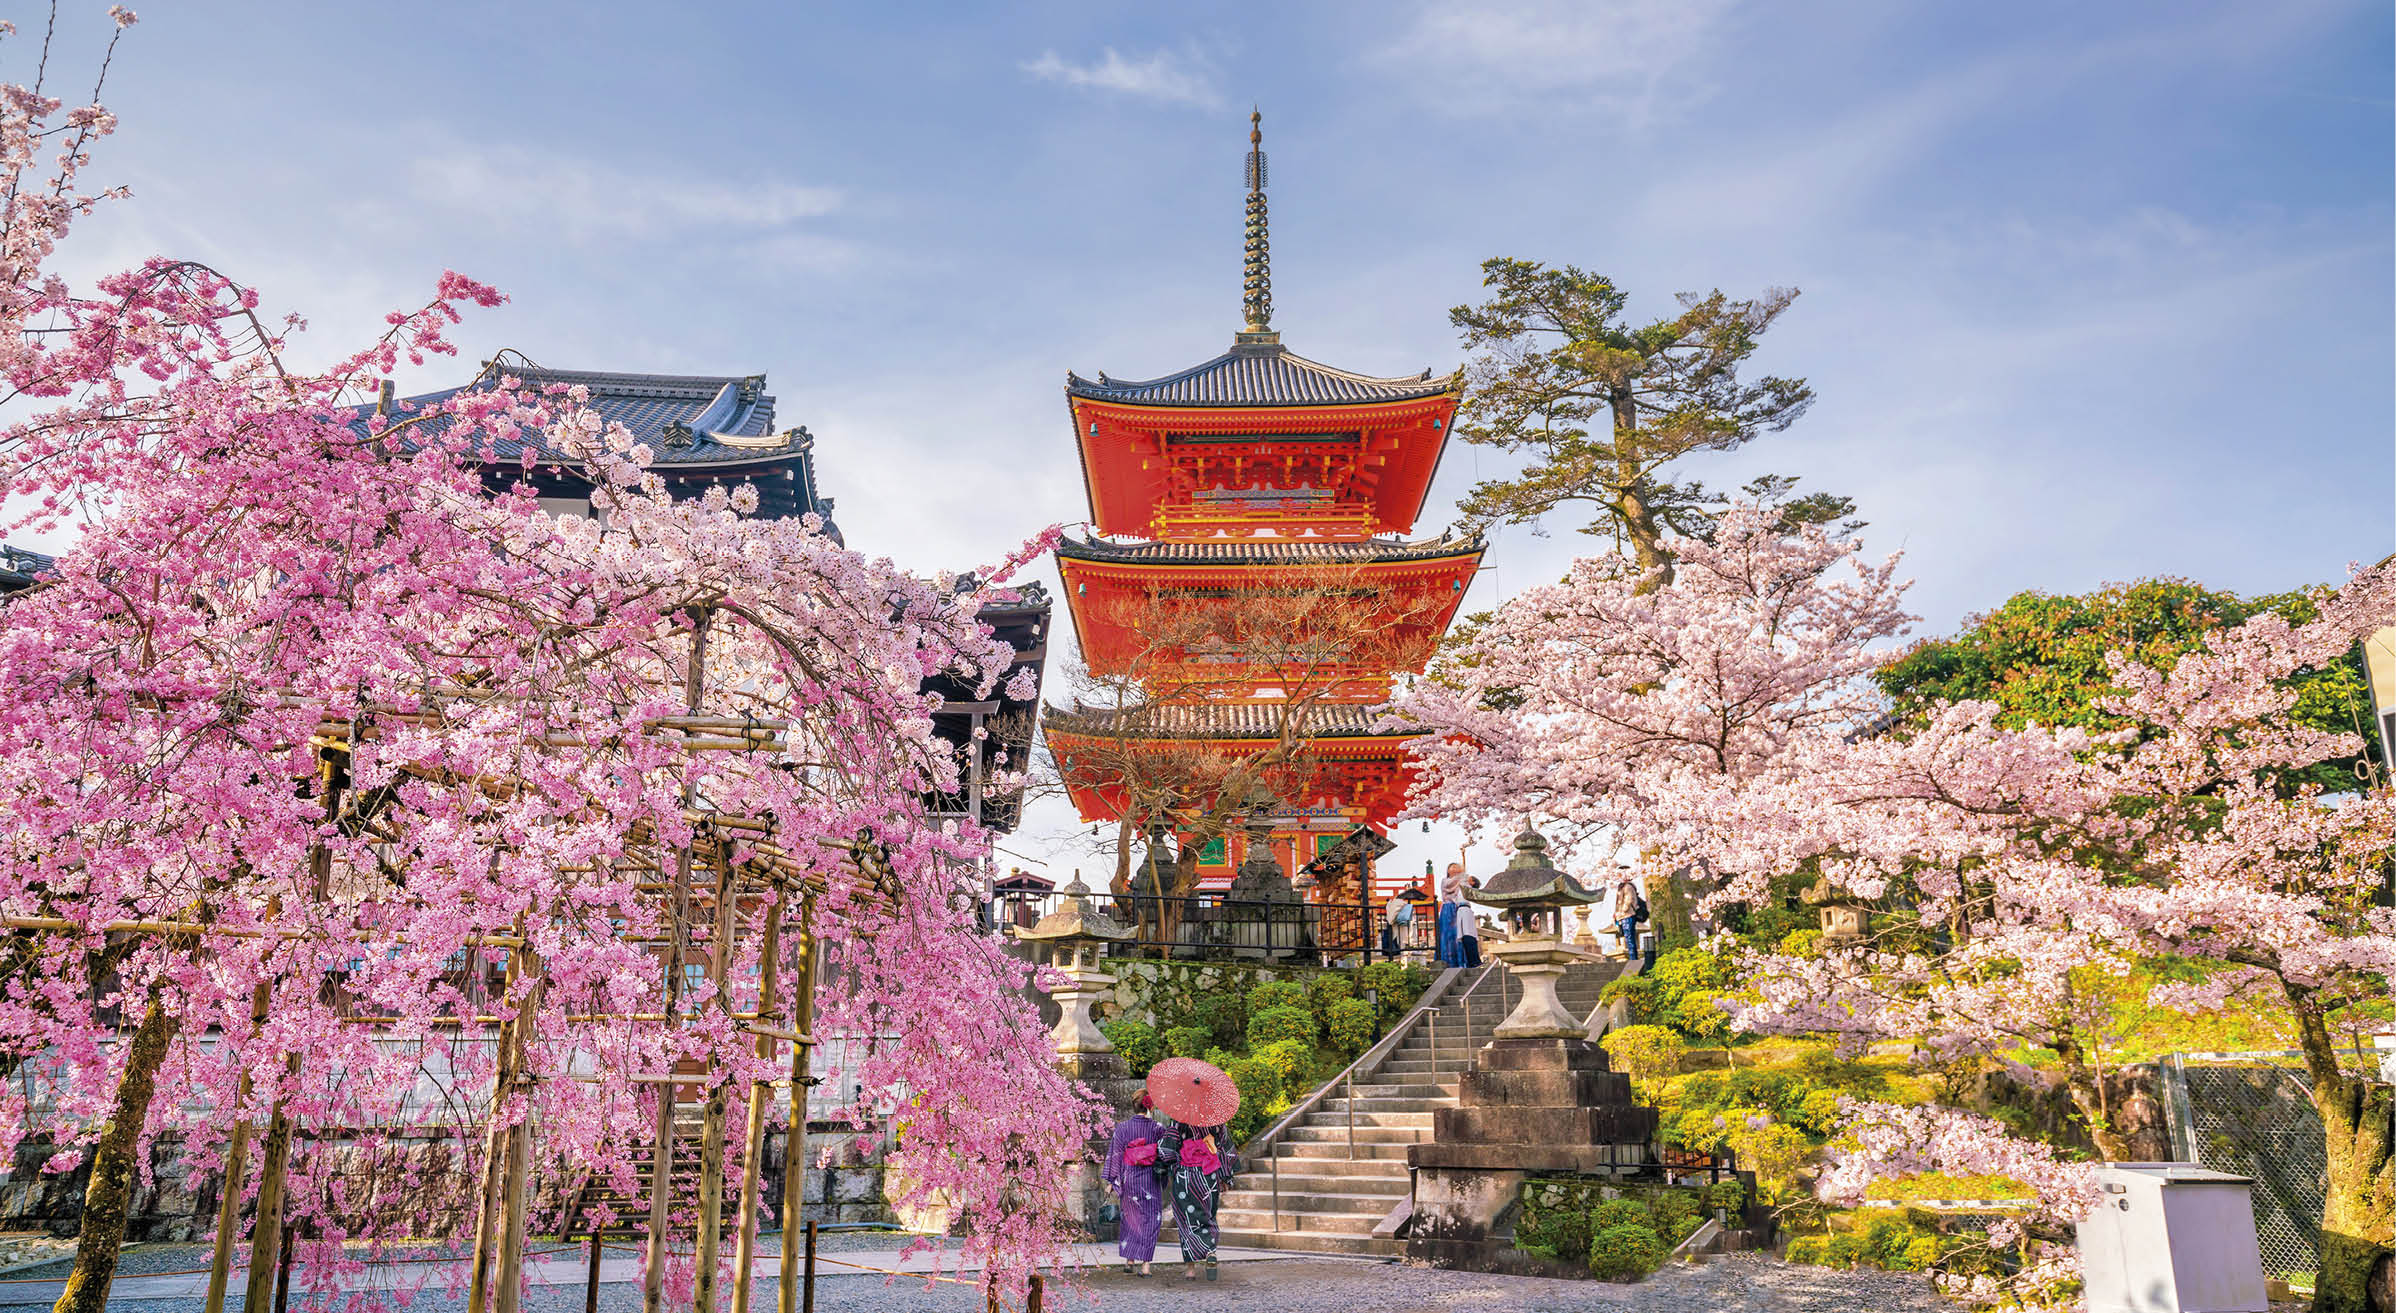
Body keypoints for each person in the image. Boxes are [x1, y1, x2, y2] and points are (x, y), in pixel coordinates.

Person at [1157, 1118, 1239, 1280]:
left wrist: (1166, 1168)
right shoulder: (1216, 1122)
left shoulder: (1179, 1121)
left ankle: (1190, 1270)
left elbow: (1167, 1151)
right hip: (1209, 1176)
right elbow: (1224, 1150)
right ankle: (1210, 1252)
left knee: (1186, 1219)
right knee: (1209, 1215)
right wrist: (1226, 1177)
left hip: (1186, 1177)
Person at [1100, 1094, 1166, 1276]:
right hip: (1150, 1180)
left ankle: (1129, 1261)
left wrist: (1112, 1181)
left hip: (1129, 1178)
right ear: (1150, 1107)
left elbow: (1116, 1155)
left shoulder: (1122, 1128)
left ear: (1134, 1107)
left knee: (1131, 1218)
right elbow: (1166, 1153)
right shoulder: (1158, 1128)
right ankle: (1145, 1266)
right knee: (1151, 1220)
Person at [1613, 873, 1645, 962]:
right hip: (1622, 916)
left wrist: (1623, 910)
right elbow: (1618, 902)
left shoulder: (1628, 887)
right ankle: (1632, 957)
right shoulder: (1621, 888)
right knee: (1627, 937)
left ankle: (1633, 958)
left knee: (1630, 937)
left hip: (1628, 914)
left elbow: (1629, 899)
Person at [1455, 877, 1483, 969]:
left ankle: (1474, 961)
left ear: (1472, 882)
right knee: (1466, 936)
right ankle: (1472, 961)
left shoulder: (1466, 888)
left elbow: (1461, 879)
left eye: (1469, 878)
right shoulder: (1463, 887)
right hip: (1462, 910)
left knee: (1468, 936)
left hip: (1465, 911)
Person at [1381, 888, 1412, 960]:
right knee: (1402, 939)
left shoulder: (1393, 904)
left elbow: (1391, 917)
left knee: (1393, 938)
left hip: (1393, 923)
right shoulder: (1405, 905)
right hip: (1402, 923)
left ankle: (1393, 955)